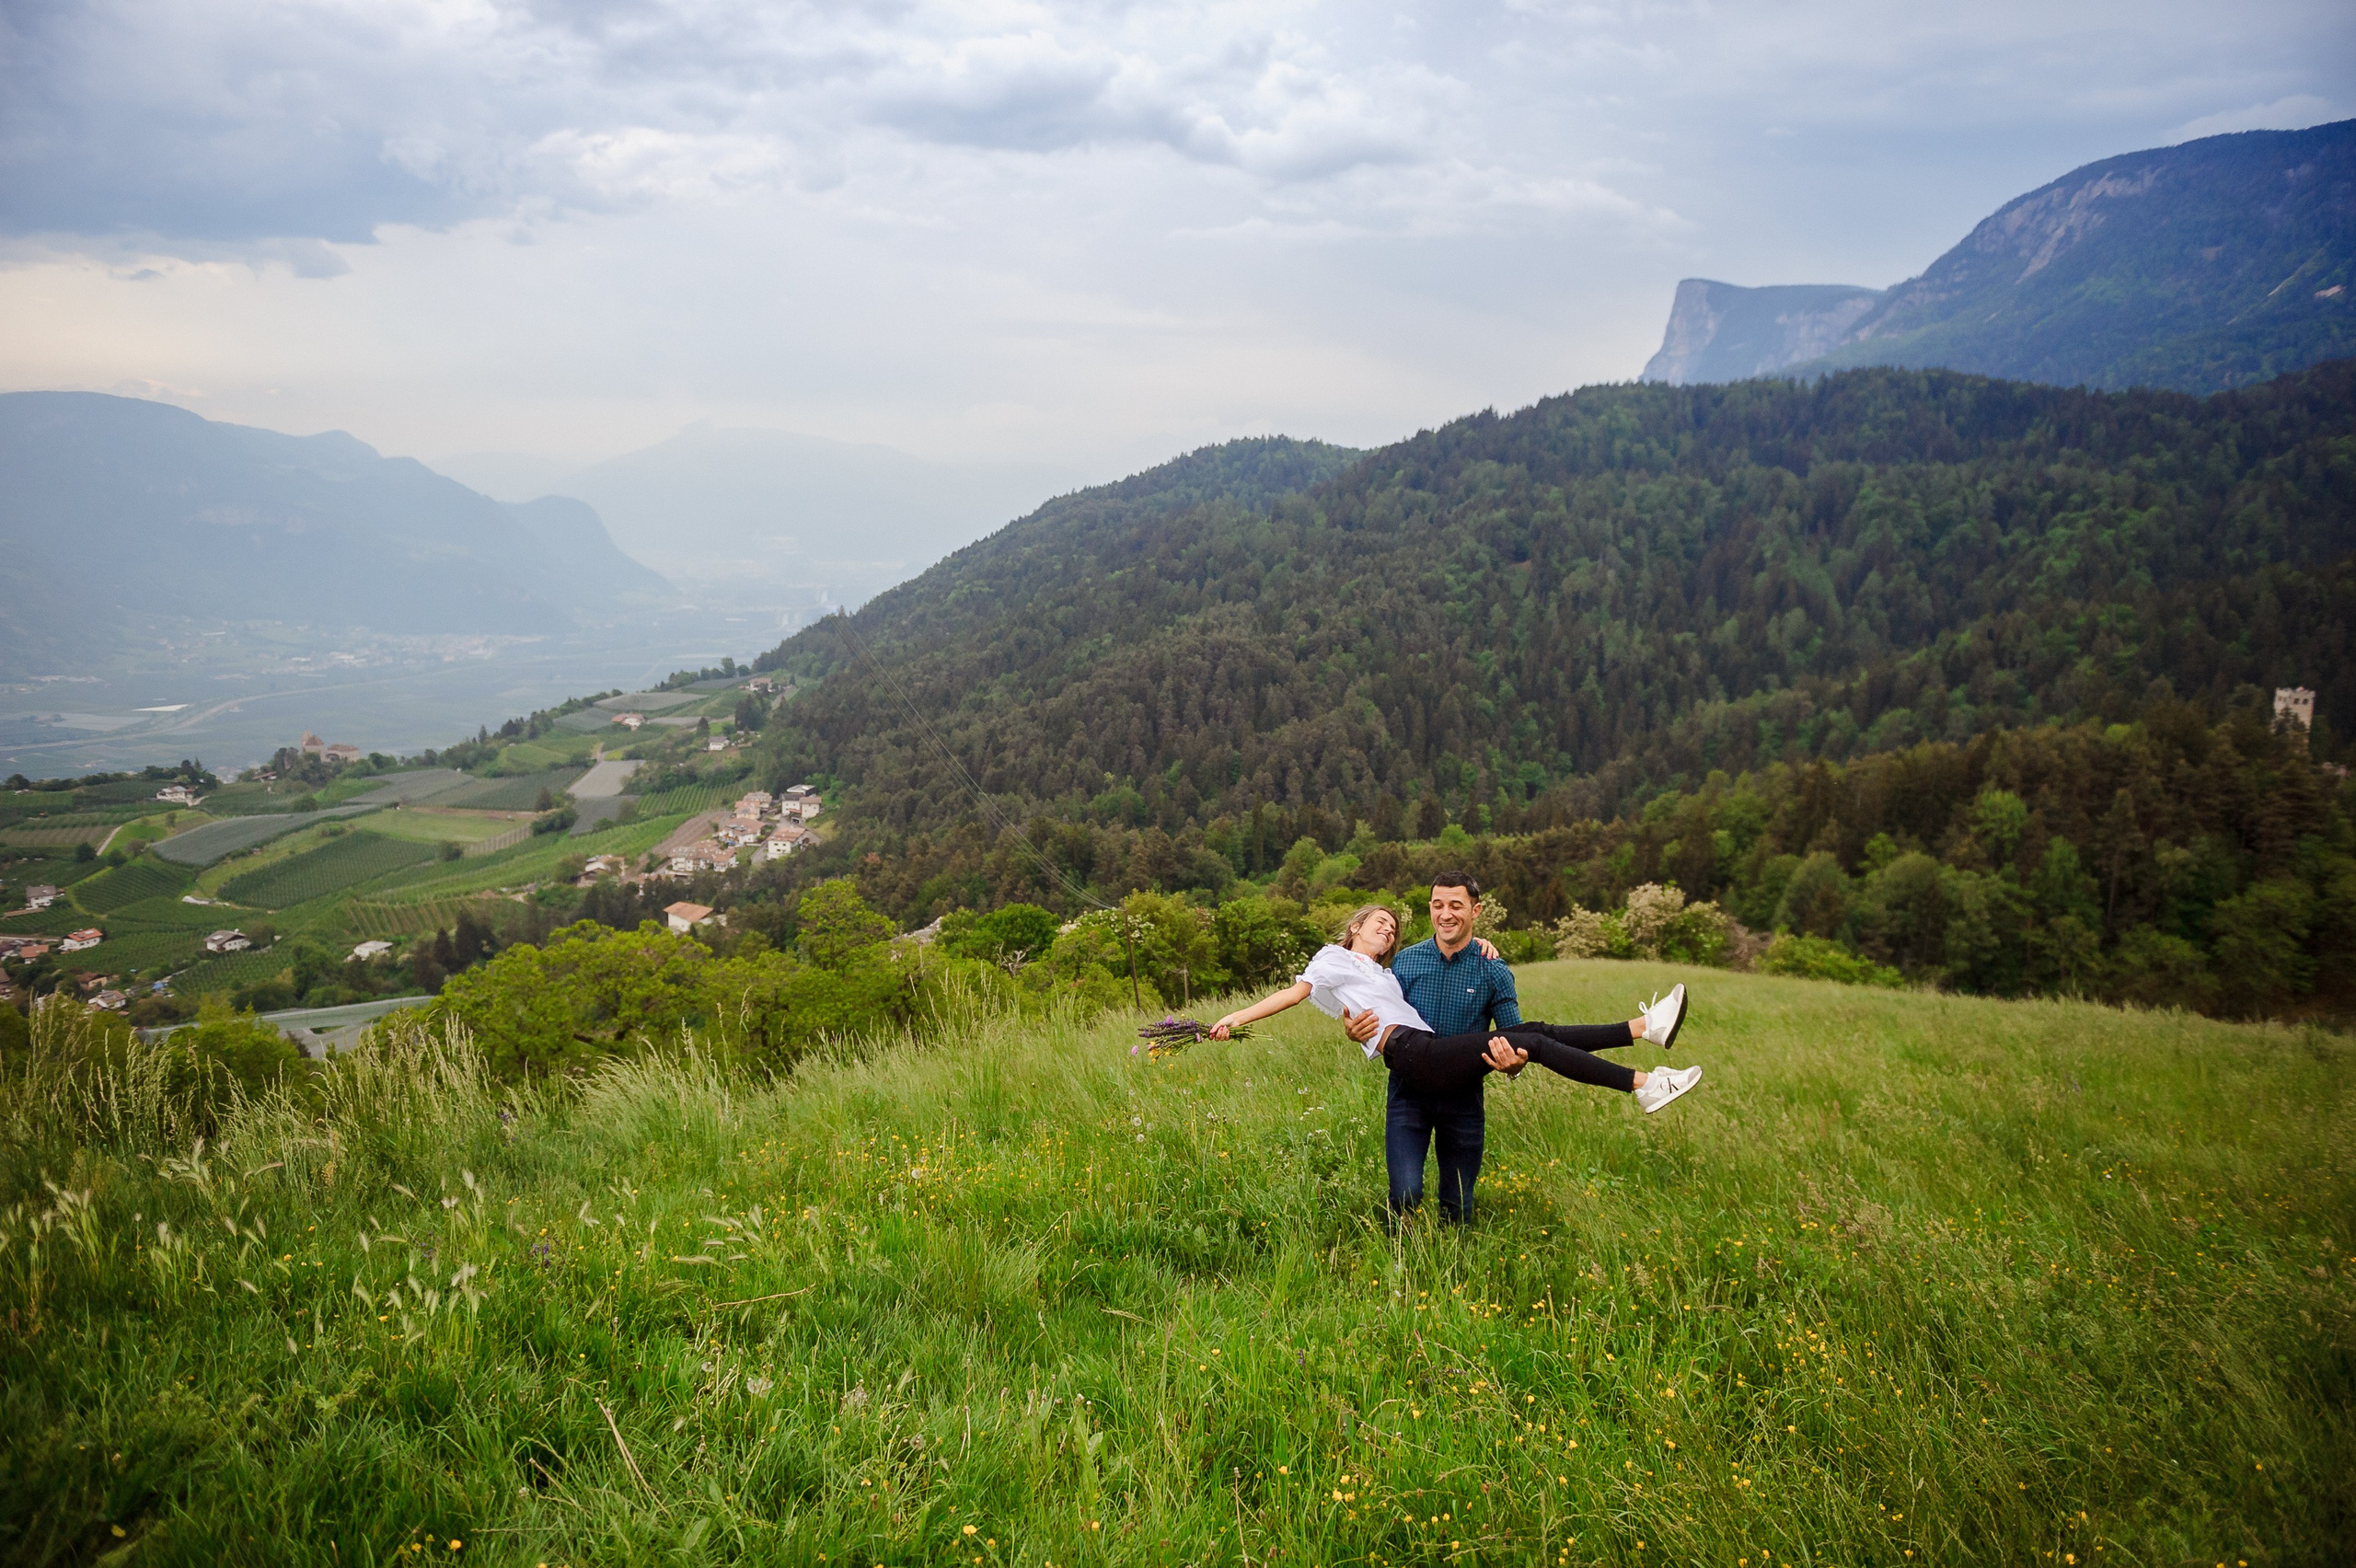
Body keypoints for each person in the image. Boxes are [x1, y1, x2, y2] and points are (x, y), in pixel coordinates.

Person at [1210, 875, 1700, 1224]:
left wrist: (1478, 944)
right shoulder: (1334, 959)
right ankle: (1644, 1083)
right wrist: (1233, 1018)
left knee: (1533, 1031)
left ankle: (1644, 1028)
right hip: (1410, 1058)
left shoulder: (1385, 971)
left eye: (1392, 928)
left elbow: (1410, 976)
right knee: (1531, 1038)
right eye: (1379, 922)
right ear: (1355, 928)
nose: (1387, 929)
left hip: (1432, 1059)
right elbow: (1295, 994)